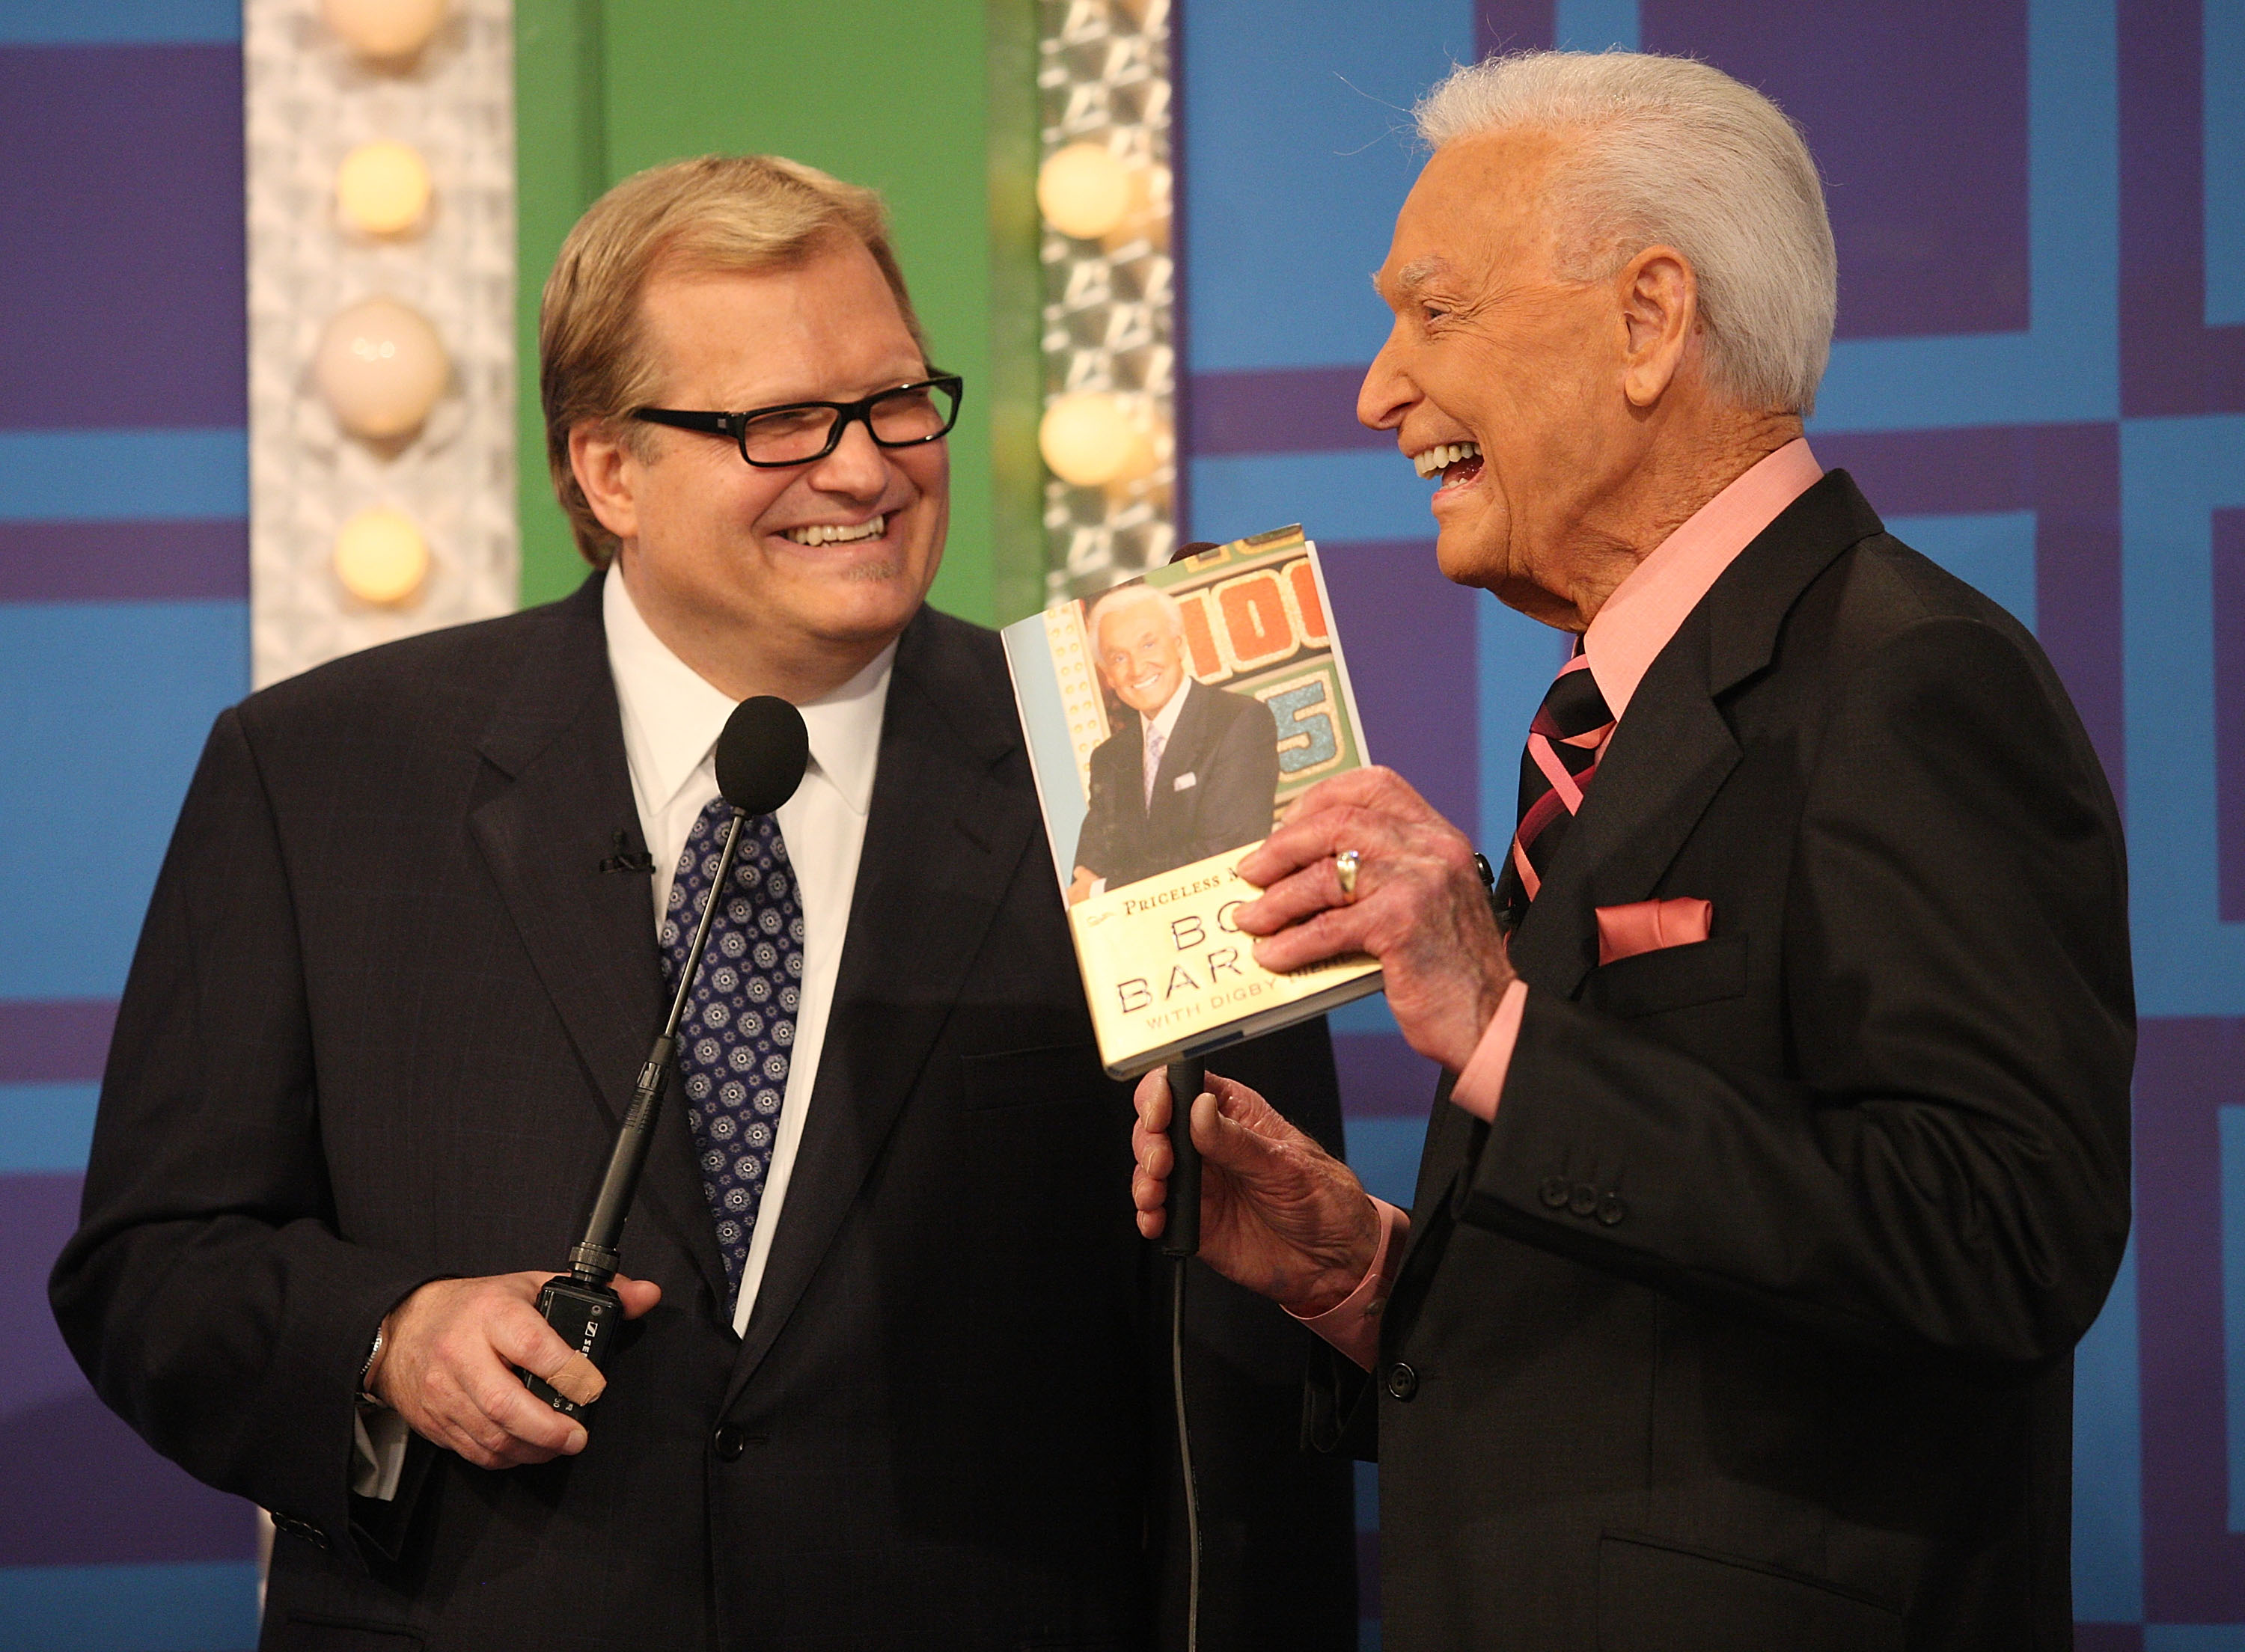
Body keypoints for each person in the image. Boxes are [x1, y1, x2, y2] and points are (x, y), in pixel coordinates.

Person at [52, 154, 1355, 1650]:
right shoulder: (321, 774)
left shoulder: (1132, 773)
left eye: (893, 402)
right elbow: (153, 1269)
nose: (864, 469)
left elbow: (1242, 1383)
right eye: (779, 424)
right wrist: (386, 1340)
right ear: (611, 471)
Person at [1130, 51, 2132, 1651]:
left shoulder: (1908, 678)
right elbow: (1675, 1334)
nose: (1379, 389)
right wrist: (1367, 1274)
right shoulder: (1620, 712)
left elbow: (2002, 1242)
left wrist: (1503, 1027)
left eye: (1433, 313)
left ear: (1649, 320)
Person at [1069, 583, 1280, 902]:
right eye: (1118, 657)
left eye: (1148, 644)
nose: (1138, 669)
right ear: (1108, 675)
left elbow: (1224, 855)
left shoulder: (1239, 720)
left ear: (1179, 645)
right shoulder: (1109, 757)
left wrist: (1103, 891)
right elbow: (1088, 866)